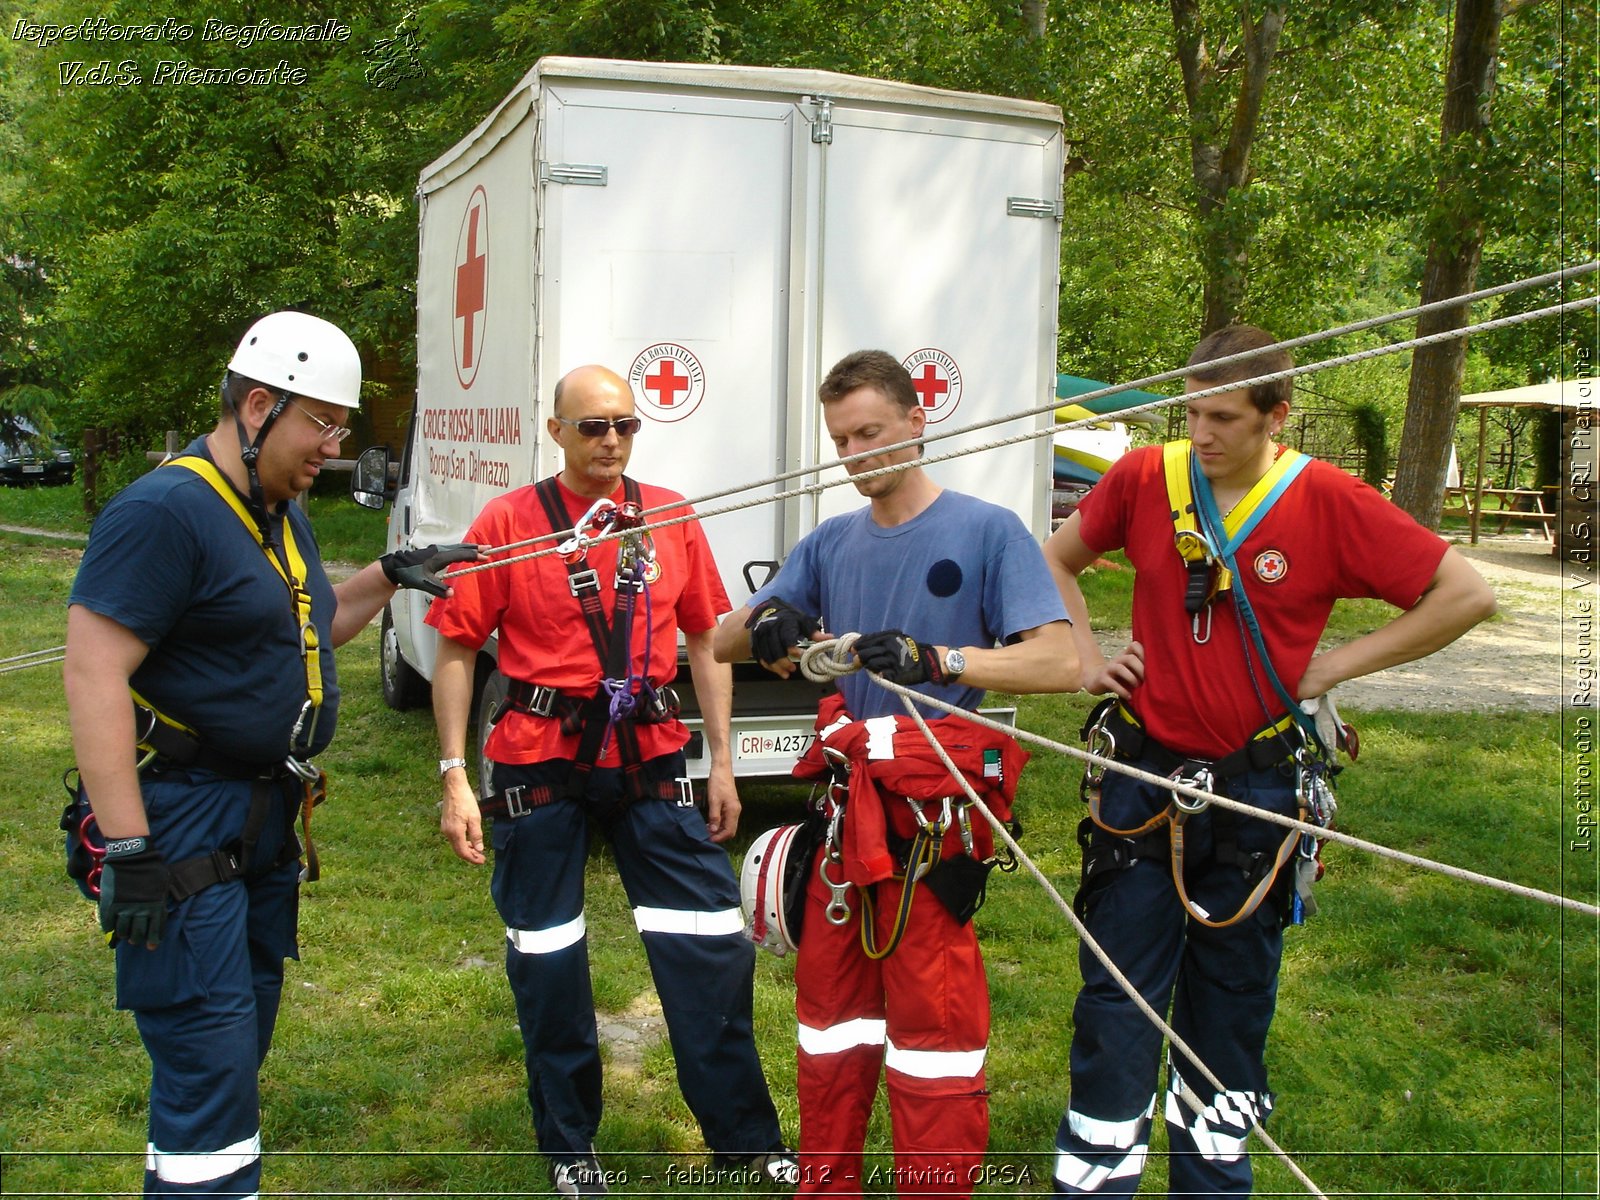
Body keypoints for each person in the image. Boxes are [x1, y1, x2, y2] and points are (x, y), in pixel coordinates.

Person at [1041, 324, 1497, 1198]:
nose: (1200, 434)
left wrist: (1330, 667)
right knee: (1117, 1002)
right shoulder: (1146, 477)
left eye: (1221, 418)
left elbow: (1465, 593)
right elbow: (1060, 557)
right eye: (1191, 413)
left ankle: (1213, 1183)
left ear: (1275, 416)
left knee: (1231, 1012)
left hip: (1258, 791)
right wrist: (1086, 655)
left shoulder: (1324, 500)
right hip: (1143, 778)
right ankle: (1093, 1181)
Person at [63, 310, 478, 1199]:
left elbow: (310, 627)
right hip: (181, 825)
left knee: (238, 1048)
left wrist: (385, 575)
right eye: (321, 425)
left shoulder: (275, 512)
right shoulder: (167, 511)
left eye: (341, 430)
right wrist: (127, 848)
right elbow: (94, 669)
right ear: (258, 407)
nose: (331, 449)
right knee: (207, 1062)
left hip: (258, 826)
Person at [714, 349, 1080, 1198]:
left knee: (932, 1040)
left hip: (932, 834)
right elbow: (721, 639)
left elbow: (1060, 661)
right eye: (841, 441)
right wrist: (770, 624)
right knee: (830, 1030)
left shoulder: (987, 532)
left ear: (918, 423)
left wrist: (938, 657)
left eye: (871, 433)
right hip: (847, 828)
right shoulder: (831, 543)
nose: (855, 456)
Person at [428, 364, 795, 1198]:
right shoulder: (510, 523)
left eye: (626, 426)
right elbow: (456, 647)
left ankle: (745, 1140)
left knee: (709, 946)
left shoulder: (667, 516)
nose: (612, 442)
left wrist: (725, 764)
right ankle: (569, 1149)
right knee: (549, 959)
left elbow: (704, 640)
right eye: (593, 426)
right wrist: (455, 774)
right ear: (555, 431)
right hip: (539, 762)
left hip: (651, 757)